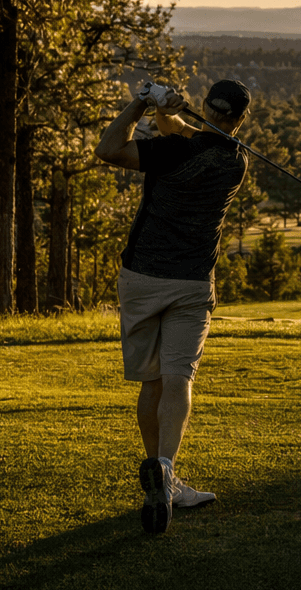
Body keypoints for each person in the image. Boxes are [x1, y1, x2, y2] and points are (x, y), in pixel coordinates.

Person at [94, 78, 252, 534]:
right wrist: (168, 112)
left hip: (141, 277)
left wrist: (142, 103)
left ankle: (159, 474)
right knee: (178, 377)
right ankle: (165, 470)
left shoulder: (168, 154)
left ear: (206, 106)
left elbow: (109, 149)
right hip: (190, 283)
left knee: (152, 382)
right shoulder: (234, 161)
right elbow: (182, 131)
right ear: (240, 120)